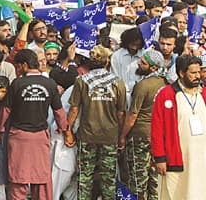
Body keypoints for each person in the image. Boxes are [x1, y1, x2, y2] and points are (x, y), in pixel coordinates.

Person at [1, 49, 68, 200]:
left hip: (19, 138)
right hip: (40, 138)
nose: (17, 70)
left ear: (24, 65)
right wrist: (64, 129)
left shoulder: (17, 84)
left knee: (19, 180)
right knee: (41, 179)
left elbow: (5, 111)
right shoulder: (50, 83)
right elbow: (59, 112)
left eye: (18, 67)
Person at [66, 45, 127, 200]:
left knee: (85, 177)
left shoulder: (82, 81)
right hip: (110, 136)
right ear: (107, 61)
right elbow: (121, 113)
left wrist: (68, 131)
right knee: (109, 178)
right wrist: (121, 136)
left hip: (87, 136)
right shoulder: (118, 82)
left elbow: (74, 109)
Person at [151, 55, 206, 200]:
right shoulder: (166, 94)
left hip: (201, 159)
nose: (197, 76)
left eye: (198, 72)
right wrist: (160, 158)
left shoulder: (203, 94)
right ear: (182, 73)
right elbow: (157, 128)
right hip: (177, 158)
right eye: (193, 73)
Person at [120, 49, 166, 200]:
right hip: (157, 137)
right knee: (154, 180)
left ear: (153, 68)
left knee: (137, 181)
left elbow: (133, 115)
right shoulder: (165, 84)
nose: (139, 63)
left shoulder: (143, 86)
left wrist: (122, 136)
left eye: (144, 63)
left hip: (139, 137)